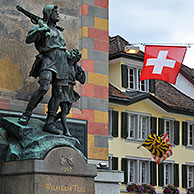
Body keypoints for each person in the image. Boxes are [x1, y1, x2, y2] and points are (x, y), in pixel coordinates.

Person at [18, 5, 85, 135]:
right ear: (49, 14)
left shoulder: (58, 31)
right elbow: (28, 39)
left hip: (62, 61)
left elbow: (62, 48)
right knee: (43, 87)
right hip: (49, 59)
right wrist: (41, 30)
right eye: (55, 12)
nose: (58, 14)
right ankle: (27, 113)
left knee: (58, 93)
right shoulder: (41, 26)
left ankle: (50, 122)